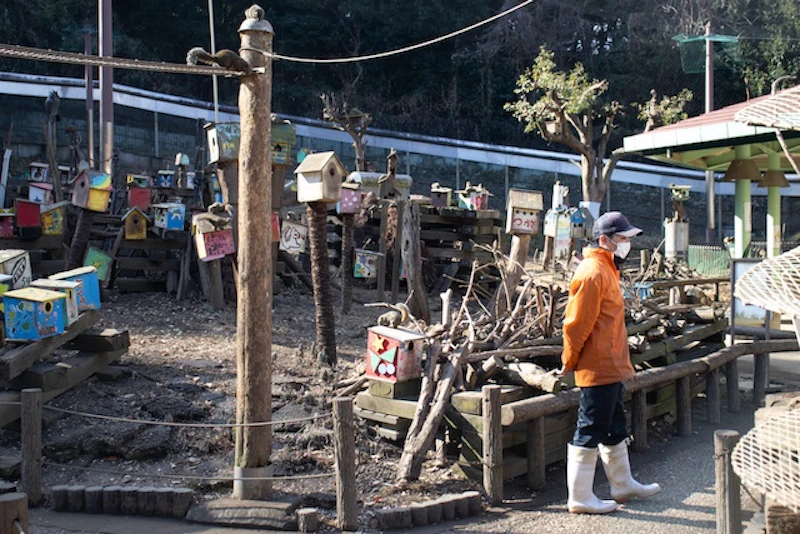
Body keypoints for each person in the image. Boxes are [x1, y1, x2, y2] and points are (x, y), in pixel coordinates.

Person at [559, 211, 661, 514]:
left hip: (610, 364)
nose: (627, 243)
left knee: (614, 425)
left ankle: (622, 483)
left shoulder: (605, 268)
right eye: (623, 238)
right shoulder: (593, 272)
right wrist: (569, 360)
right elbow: (576, 325)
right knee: (589, 428)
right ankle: (579, 496)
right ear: (604, 240)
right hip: (598, 365)